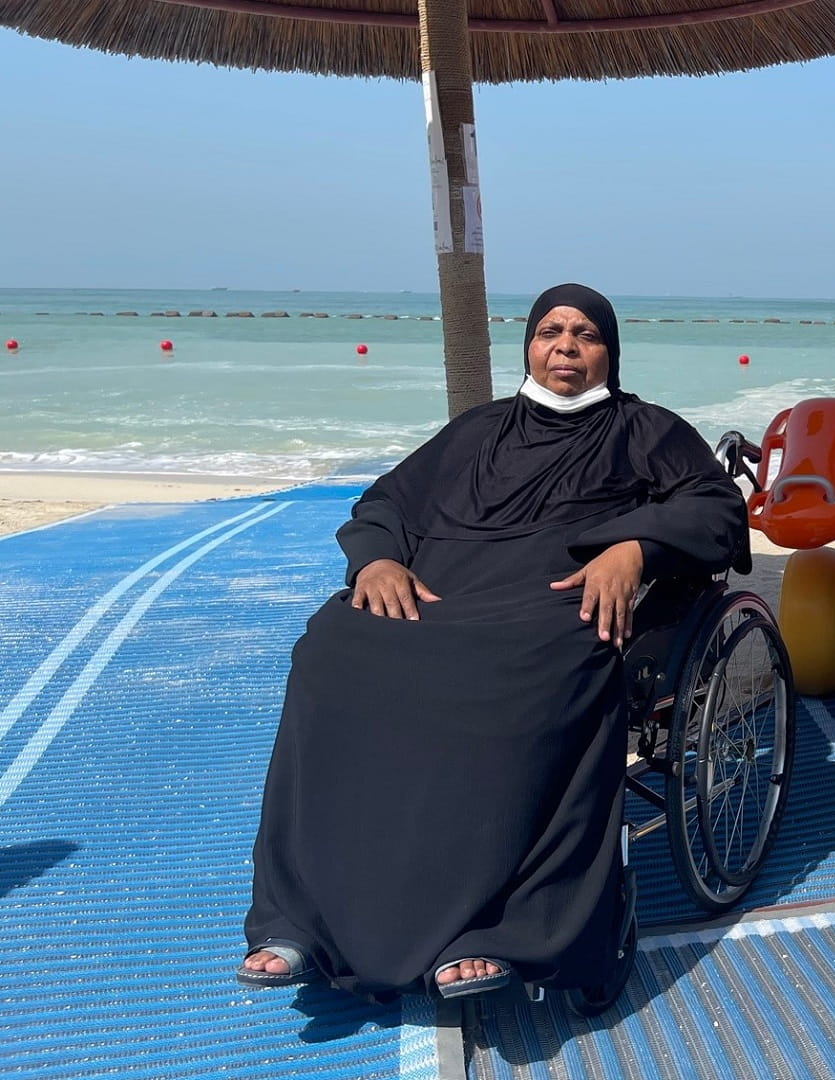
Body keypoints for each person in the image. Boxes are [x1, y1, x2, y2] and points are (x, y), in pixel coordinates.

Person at [238, 284, 748, 1000]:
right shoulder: (478, 430)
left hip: (548, 610)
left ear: (609, 351)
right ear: (530, 346)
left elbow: (717, 509)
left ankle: (501, 928)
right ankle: (304, 918)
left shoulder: (648, 431)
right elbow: (387, 500)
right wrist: (379, 560)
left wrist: (635, 546)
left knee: (518, 680)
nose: (565, 345)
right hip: (440, 598)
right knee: (328, 649)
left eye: (584, 334)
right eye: (549, 331)